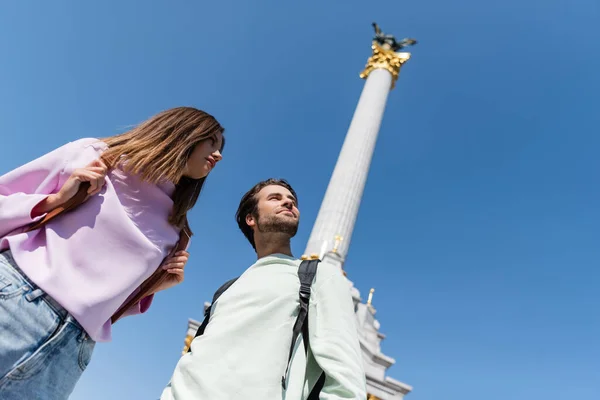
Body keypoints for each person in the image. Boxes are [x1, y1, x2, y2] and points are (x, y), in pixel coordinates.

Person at [0, 107, 225, 399]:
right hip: (15, 300)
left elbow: (111, 303)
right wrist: (53, 200)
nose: (218, 155)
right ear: (185, 130)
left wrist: (157, 285)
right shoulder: (94, 155)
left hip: (70, 352)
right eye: (213, 142)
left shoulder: (177, 232)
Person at [161, 178, 366, 399]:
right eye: (275, 198)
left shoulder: (319, 277)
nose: (288, 203)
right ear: (251, 218)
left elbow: (346, 383)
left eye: (292, 201)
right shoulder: (227, 289)